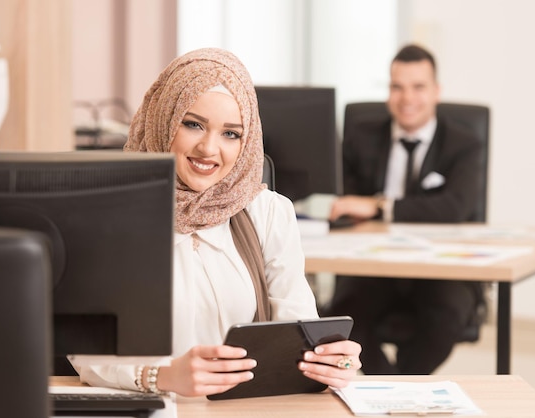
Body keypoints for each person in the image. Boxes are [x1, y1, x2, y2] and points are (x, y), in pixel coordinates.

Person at [76, 47, 362, 397]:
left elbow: (299, 329)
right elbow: (85, 350)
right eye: (193, 124)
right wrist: (161, 376)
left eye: (231, 134)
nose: (210, 149)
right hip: (148, 406)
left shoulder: (268, 213)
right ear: (164, 120)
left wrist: (330, 360)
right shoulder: (110, 215)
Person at [323, 44, 485, 374]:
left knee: (446, 316)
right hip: (374, 265)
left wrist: (379, 206)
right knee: (341, 316)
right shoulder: (361, 135)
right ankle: (393, 388)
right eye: (397, 87)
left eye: (418, 87)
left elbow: (453, 207)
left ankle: (401, 387)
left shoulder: (464, 143)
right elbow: (347, 199)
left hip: (439, 269)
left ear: (437, 92)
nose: (407, 98)